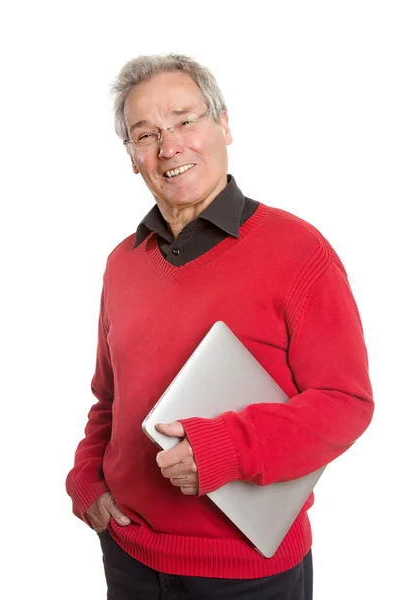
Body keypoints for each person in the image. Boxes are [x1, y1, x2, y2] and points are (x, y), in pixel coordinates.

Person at [66, 53, 374, 599]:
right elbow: (109, 400)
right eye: (146, 134)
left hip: (249, 573)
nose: (169, 146)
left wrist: (226, 450)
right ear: (133, 158)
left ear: (223, 124)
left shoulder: (299, 251)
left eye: (185, 121)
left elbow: (345, 402)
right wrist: (88, 476)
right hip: (129, 556)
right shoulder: (122, 262)